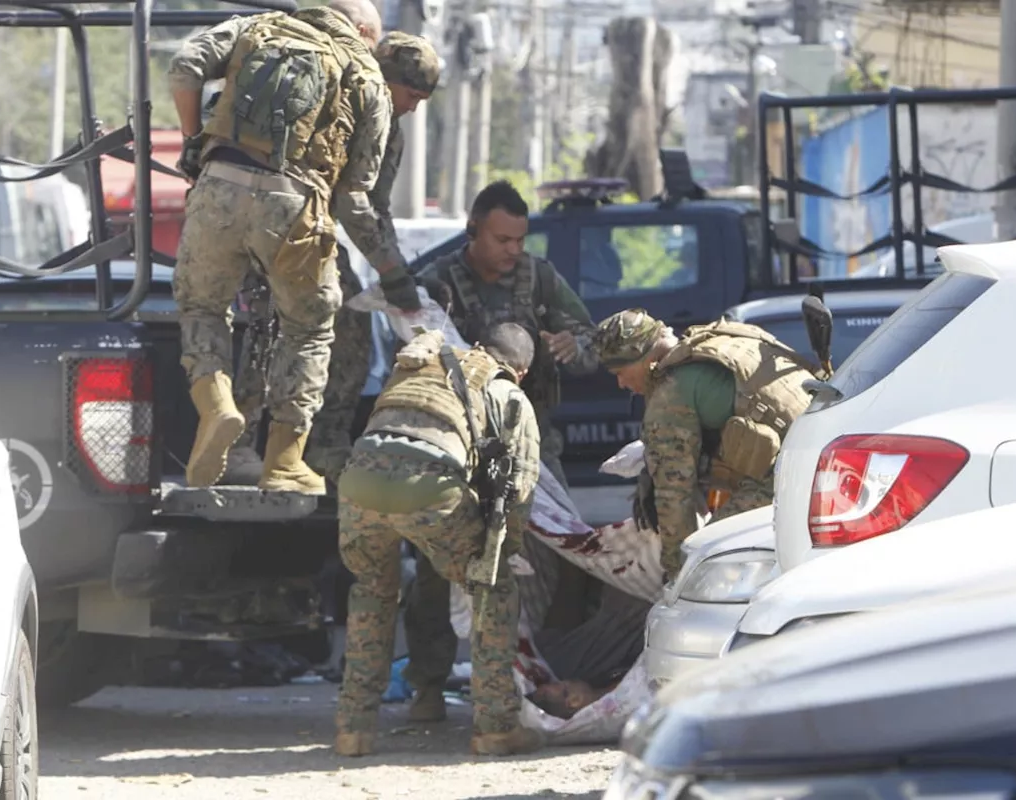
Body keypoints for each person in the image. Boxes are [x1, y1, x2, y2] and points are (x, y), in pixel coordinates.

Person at [166, 0, 421, 496]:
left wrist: (193, 139)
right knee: (307, 330)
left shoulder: (257, 27)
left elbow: (184, 67)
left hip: (218, 184)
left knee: (201, 306)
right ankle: (283, 462)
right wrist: (392, 271)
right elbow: (353, 198)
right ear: (365, 30)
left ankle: (216, 405)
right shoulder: (366, 75)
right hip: (294, 206)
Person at [404, 180, 601, 721]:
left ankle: (542, 675)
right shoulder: (438, 282)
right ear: (473, 231)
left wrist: (571, 346)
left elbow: (590, 339)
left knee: (561, 553)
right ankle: (427, 684)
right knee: (435, 565)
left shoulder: (540, 278)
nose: (513, 250)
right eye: (502, 239)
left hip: (532, 442)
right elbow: (412, 349)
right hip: (458, 447)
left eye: (520, 238)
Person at [225, 31, 442, 486]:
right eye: (411, 95)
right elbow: (350, 200)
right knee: (271, 323)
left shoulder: (390, 129)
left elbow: (375, 206)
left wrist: (394, 269)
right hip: (270, 222)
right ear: (384, 80)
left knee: (352, 323)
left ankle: (326, 443)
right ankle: (239, 446)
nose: (413, 107)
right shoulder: (335, 102)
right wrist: (389, 267)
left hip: (316, 232)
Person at [334, 322, 545, 757]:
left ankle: (354, 730)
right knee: (492, 591)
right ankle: (495, 726)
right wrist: (502, 555)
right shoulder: (509, 394)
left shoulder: (422, 368)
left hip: (358, 482)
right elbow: (521, 490)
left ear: (482, 347)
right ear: (521, 371)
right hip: (428, 486)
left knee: (372, 594)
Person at [592, 309, 817, 581]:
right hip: (825, 456)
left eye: (620, 372)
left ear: (643, 358)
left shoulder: (670, 395)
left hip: (788, 479)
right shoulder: (722, 339)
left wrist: (678, 571)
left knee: (712, 558)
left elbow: (674, 495)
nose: (620, 383)